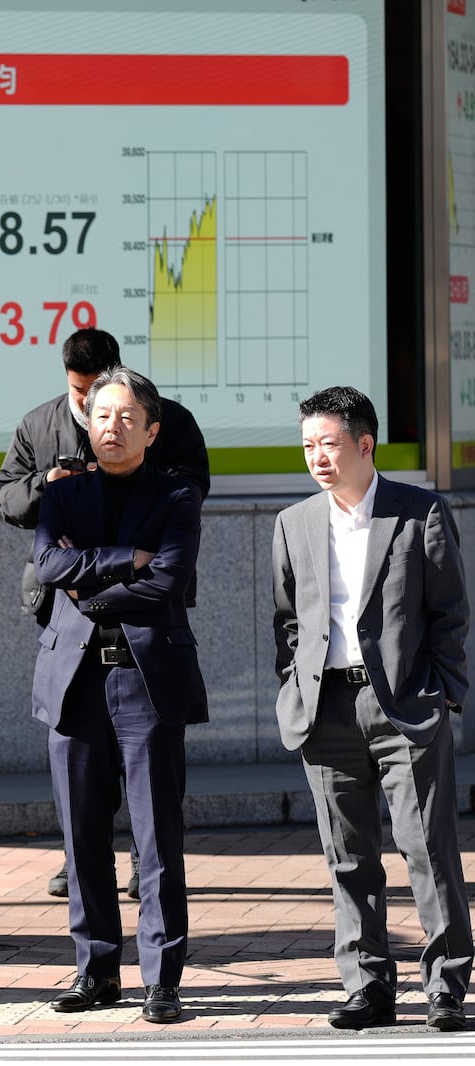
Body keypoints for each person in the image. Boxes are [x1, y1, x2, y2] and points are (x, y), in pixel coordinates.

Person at [272, 386, 471, 1032]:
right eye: (308, 446)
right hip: (325, 708)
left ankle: (446, 985)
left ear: (365, 444)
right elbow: (288, 622)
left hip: (406, 706)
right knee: (347, 856)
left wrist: (445, 693)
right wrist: (293, 689)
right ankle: (367, 985)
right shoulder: (294, 523)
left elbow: (450, 615)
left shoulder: (420, 514)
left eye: (328, 444)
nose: (317, 458)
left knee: (426, 848)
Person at [0, 328, 210, 899]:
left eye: (107, 400)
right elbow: (9, 500)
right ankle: (77, 856)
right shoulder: (38, 423)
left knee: (148, 761)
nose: (99, 416)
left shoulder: (167, 420)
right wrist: (49, 484)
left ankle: (145, 859)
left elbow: (185, 501)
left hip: (143, 617)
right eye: (82, 398)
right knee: (80, 758)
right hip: (64, 612)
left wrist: (109, 560)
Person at [31, 367, 206, 1024]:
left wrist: (90, 579)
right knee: (81, 837)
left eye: (128, 417)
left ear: (151, 430)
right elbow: (49, 567)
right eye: (102, 415)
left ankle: (163, 978)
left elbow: (167, 583)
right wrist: (125, 559)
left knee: (157, 836)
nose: (113, 426)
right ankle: (96, 969)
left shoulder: (177, 496)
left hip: (145, 683)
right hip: (74, 683)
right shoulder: (62, 495)